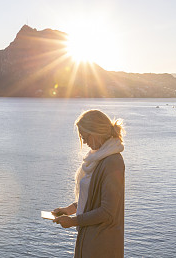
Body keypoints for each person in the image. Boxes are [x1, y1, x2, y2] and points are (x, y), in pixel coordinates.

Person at [52, 109, 125, 258]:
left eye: (85, 136)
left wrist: (73, 221)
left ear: (96, 132)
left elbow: (107, 212)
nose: (84, 141)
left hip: (101, 246)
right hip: (89, 241)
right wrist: (69, 210)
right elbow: (91, 199)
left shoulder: (112, 162)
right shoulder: (97, 158)